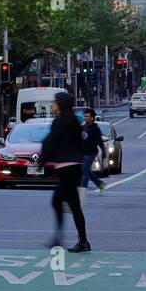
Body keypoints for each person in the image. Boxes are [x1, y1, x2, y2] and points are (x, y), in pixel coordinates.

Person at [39, 90, 90, 253]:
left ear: (60, 105)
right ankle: (82, 241)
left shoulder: (59, 122)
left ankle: (59, 238)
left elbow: (50, 141)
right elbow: (79, 143)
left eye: (54, 102)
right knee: (74, 205)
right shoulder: (74, 121)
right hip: (74, 165)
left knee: (57, 200)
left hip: (66, 166)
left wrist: (42, 160)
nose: (52, 105)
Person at [80, 107, 107, 198]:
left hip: (91, 153)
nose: (85, 118)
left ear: (92, 117)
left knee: (84, 171)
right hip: (83, 152)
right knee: (86, 170)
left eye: (87, 116)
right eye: (84, 116)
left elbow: (99, 141)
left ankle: (83, 190)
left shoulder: (95, 129)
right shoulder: (83, 127)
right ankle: (100, 184)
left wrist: (103, 151)